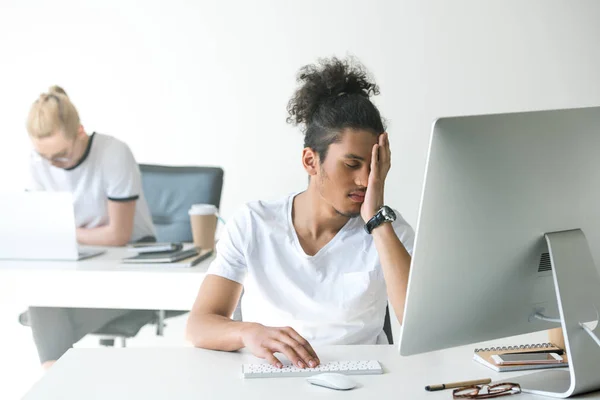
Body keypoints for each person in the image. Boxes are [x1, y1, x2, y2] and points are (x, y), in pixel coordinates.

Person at [186, 57, 415, 369]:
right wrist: (249, 333)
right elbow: (199, 325)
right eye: (351, 164)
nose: (364, 179)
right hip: (274, 380)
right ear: (310, 161)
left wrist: (376, 218)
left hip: (361, 385)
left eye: (373, 165)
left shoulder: (388, 229)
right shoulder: (254, 223)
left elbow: (416, 326)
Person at [24, 86, 157, 369]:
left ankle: (53, 382)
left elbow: (118, 235)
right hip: (79, 268)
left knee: (43, 310)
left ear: (80, 131)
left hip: (133, 268)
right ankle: (57, 384)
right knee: (43, 300)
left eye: (59, 155)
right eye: (44, 156)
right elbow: (41, 232)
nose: (52, 165)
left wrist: (64, 234)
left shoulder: (113, 153)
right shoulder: (39, 162)